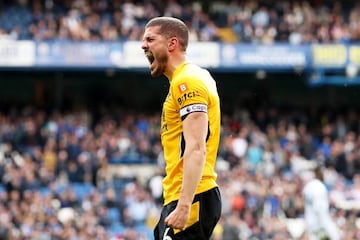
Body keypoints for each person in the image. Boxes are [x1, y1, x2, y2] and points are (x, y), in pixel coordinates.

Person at [141, 16, 222, 240]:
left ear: (172, 44)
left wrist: (185, 205)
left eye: (150, 39)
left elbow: (196, 147)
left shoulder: (188, 81)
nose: (143, 45)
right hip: (183, 196)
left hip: (192, 196)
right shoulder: (190, 78)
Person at [302, 166, 341, 240]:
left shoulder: (307, 187)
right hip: (320, 222)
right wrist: (327, 224)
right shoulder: (318, 186)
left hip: (310, 221)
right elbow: (319, 208)